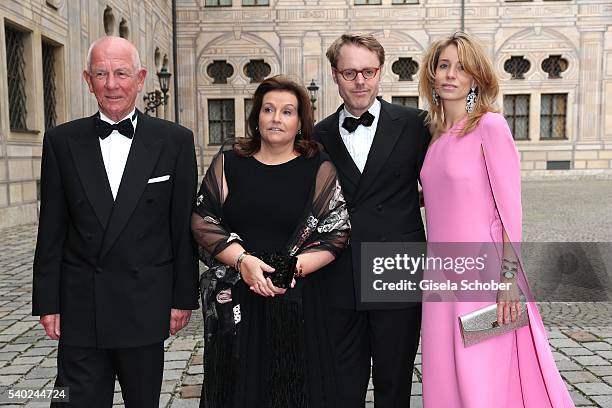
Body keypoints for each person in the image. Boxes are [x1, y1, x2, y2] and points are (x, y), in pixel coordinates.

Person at [32, 36, 199, 407]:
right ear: (87, 80)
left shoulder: (174, 141)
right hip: (80, 307)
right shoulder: (61, 141)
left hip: (146, 302)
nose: (112, 84)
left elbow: (181, 227)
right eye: (101, 74)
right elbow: (52, 229)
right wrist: (48, 301)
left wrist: (182, 297)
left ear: (140, 79)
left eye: (121, 73)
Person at [418, 32, 575, 407]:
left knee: (481, 377)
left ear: (476, 78)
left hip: (484, 278)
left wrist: (507, 281)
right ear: (432, 74)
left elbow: (509, 210)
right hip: (440, 277)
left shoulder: (490, 126)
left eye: (462, 68)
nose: (451, 74)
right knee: (444, 376)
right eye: (444, 66)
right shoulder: (436, 137)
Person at [192, 75, 350, 408]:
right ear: (256, 117)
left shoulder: (317, 166)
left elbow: (336, 230)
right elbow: (203, 218)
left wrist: (292, 269)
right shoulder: (230, 161)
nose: (276, 118)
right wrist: (244, 262)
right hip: (238, 297)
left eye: (287, 111)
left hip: (298, 298)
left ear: (300, 121)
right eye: (268, 109)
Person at [314, 34, 431, 407]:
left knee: (393, 384)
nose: (360, 81)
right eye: (350, 72)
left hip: (396, 267)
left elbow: (443, 183)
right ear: (335, 75)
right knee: (341, 385)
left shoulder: (415, 124)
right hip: (336, 274)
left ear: (381, 73)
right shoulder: (318, 135)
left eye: (368, 71)